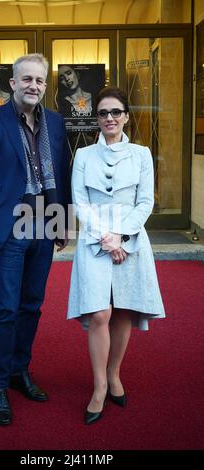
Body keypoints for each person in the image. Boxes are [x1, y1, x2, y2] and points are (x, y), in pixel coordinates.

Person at [0, 53, 71, 426]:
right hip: (8, 226)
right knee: (6, 308)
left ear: (46, 86)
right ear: (13, 83)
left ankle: (18, 371)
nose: (33, 86)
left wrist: (63, 223)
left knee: (32, 305)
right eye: (26, 79)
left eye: (40, 81)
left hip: (44, 222)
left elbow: (64, 172)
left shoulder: (55, 123)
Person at [67, 86, 165, 425]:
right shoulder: (83, 156)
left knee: (123, 309)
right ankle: (97, 388)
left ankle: (113, 375)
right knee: (98, 313)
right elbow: (79, 201)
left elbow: (145, 202)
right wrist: (106, 238)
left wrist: (122, 235)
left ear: (125, 116)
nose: (109, 118)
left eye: (115, 112)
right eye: (103, 113)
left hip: (132, 239)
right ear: (96, 118)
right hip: (95, 240)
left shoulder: (141, 154)